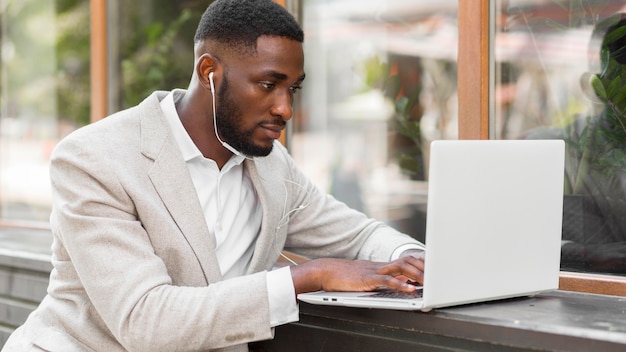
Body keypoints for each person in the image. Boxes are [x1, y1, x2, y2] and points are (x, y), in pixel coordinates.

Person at [2, 1, 425, 351]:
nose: (285, 109)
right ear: (210, 72)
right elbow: (145, 320)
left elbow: (359, 235)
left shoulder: (272, 167)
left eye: (292, 88)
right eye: (267, 85)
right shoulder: (93, 159)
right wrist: (307, 277)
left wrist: (415, 262)